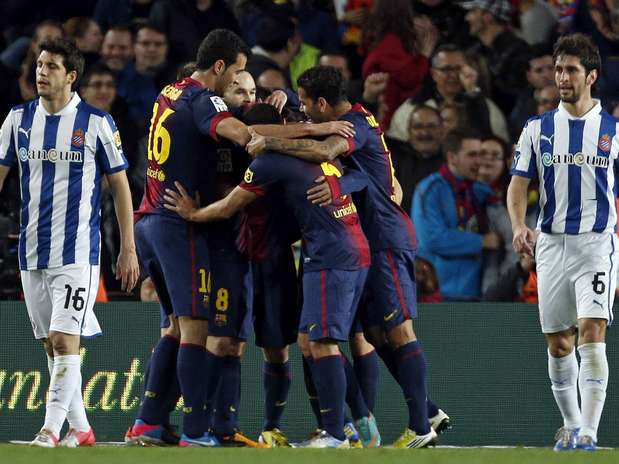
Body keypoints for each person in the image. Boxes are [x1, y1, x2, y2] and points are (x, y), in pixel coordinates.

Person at [247, 65, 447, 448]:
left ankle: (420, 426)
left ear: (323, 103)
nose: (302, 112)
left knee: (397, 330)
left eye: (306, 103)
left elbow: (324, 148)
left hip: (383, 236)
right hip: (363, 239)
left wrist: (266, 140)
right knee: (369, 332)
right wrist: (285, 98)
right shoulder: (348, 117)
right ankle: (422, 410)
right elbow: (365, 173)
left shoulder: (353, 125)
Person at [166, 103, 371, 448]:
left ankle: (343, 428)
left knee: (301, 344)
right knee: (302, 341)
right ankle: (334, 426)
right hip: (283, 255)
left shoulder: (270, 160)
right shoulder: (296, 154)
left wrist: (194, 214)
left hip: (286, 259)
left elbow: (231, 205)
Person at [0, 38, 139, 447]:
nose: (41, 72)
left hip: (77, 250)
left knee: (65, 341)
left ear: (71, 76)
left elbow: (121, 187)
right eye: (39, 65)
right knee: (50, 344)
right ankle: (82, 429)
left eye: (51, 66)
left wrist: (128, 247)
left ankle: (50, 430)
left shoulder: (97, 123)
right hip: (31, 249)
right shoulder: (17, 120)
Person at [126, 28, 253, 448]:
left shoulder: (170, 90)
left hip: (149, 220)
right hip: (179, 226)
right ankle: (197, 433)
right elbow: (237, 132)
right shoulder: (204, 98)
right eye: (235, 72)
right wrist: (266, 135)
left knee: (176, 329)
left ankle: (148, 423)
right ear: (218, 66)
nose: (236, 81)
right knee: (197, 329)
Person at [508, 33, 618, 452]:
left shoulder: (613, 131)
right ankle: (571, 425)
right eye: (558, 69)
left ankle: (589, 431)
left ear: (591, 75)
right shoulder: (538, 129)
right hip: (551, 245)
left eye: (571, 69)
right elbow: (519, 183)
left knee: (592, 331)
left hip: (597, 243)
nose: (562, 76)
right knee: (558, 341)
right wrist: (519, 225)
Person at [413, 129, 500, 300]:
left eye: (480, 154)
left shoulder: (481, 191)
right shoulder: (429, 190)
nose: (479, 161)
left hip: (475, 292)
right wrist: (482, 241)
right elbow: (431, 239)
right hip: (440, 293)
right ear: (452, 157)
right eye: (472, 155)